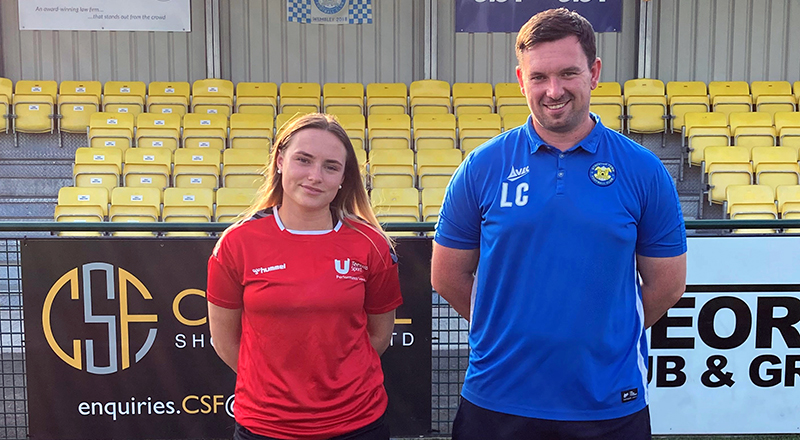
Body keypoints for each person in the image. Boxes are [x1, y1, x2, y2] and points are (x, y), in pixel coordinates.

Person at [431, 8, 687, 440]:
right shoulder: (482, 166)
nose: (553, 91)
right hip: (497, 399)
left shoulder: (643, 170)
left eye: (569, 73)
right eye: (538, 77)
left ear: (595, 72)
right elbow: (447, 274)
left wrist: (601, 334)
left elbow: (666, 284)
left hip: (608, 403)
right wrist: (503, 328)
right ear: (520, 79)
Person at [207, 113, 403, 440]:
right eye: (304, 160)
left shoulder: (370, 244)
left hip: (357, 424)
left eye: (330, 166)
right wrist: (275, 392)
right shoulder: (236, 243)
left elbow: (378, 336)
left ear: (344, 177)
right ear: (280, 161)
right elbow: (226, 341)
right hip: (266, 427)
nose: (315, 176)